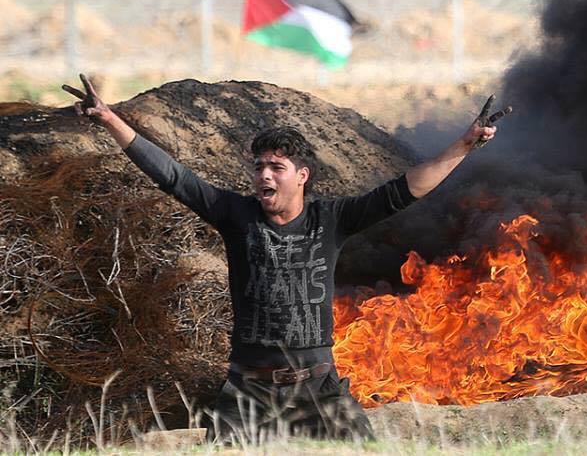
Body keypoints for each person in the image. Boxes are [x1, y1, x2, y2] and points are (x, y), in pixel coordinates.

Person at [61, 74, 509, 445]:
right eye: (259, 166)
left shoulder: (331, 219)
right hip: (249, 390)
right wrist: (110, 119)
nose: (264, 175)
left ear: (302, 175)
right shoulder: (234, 215)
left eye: (276, 167)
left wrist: (465, 144)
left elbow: (404, 190)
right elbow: (173, 176)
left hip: (319, 389)